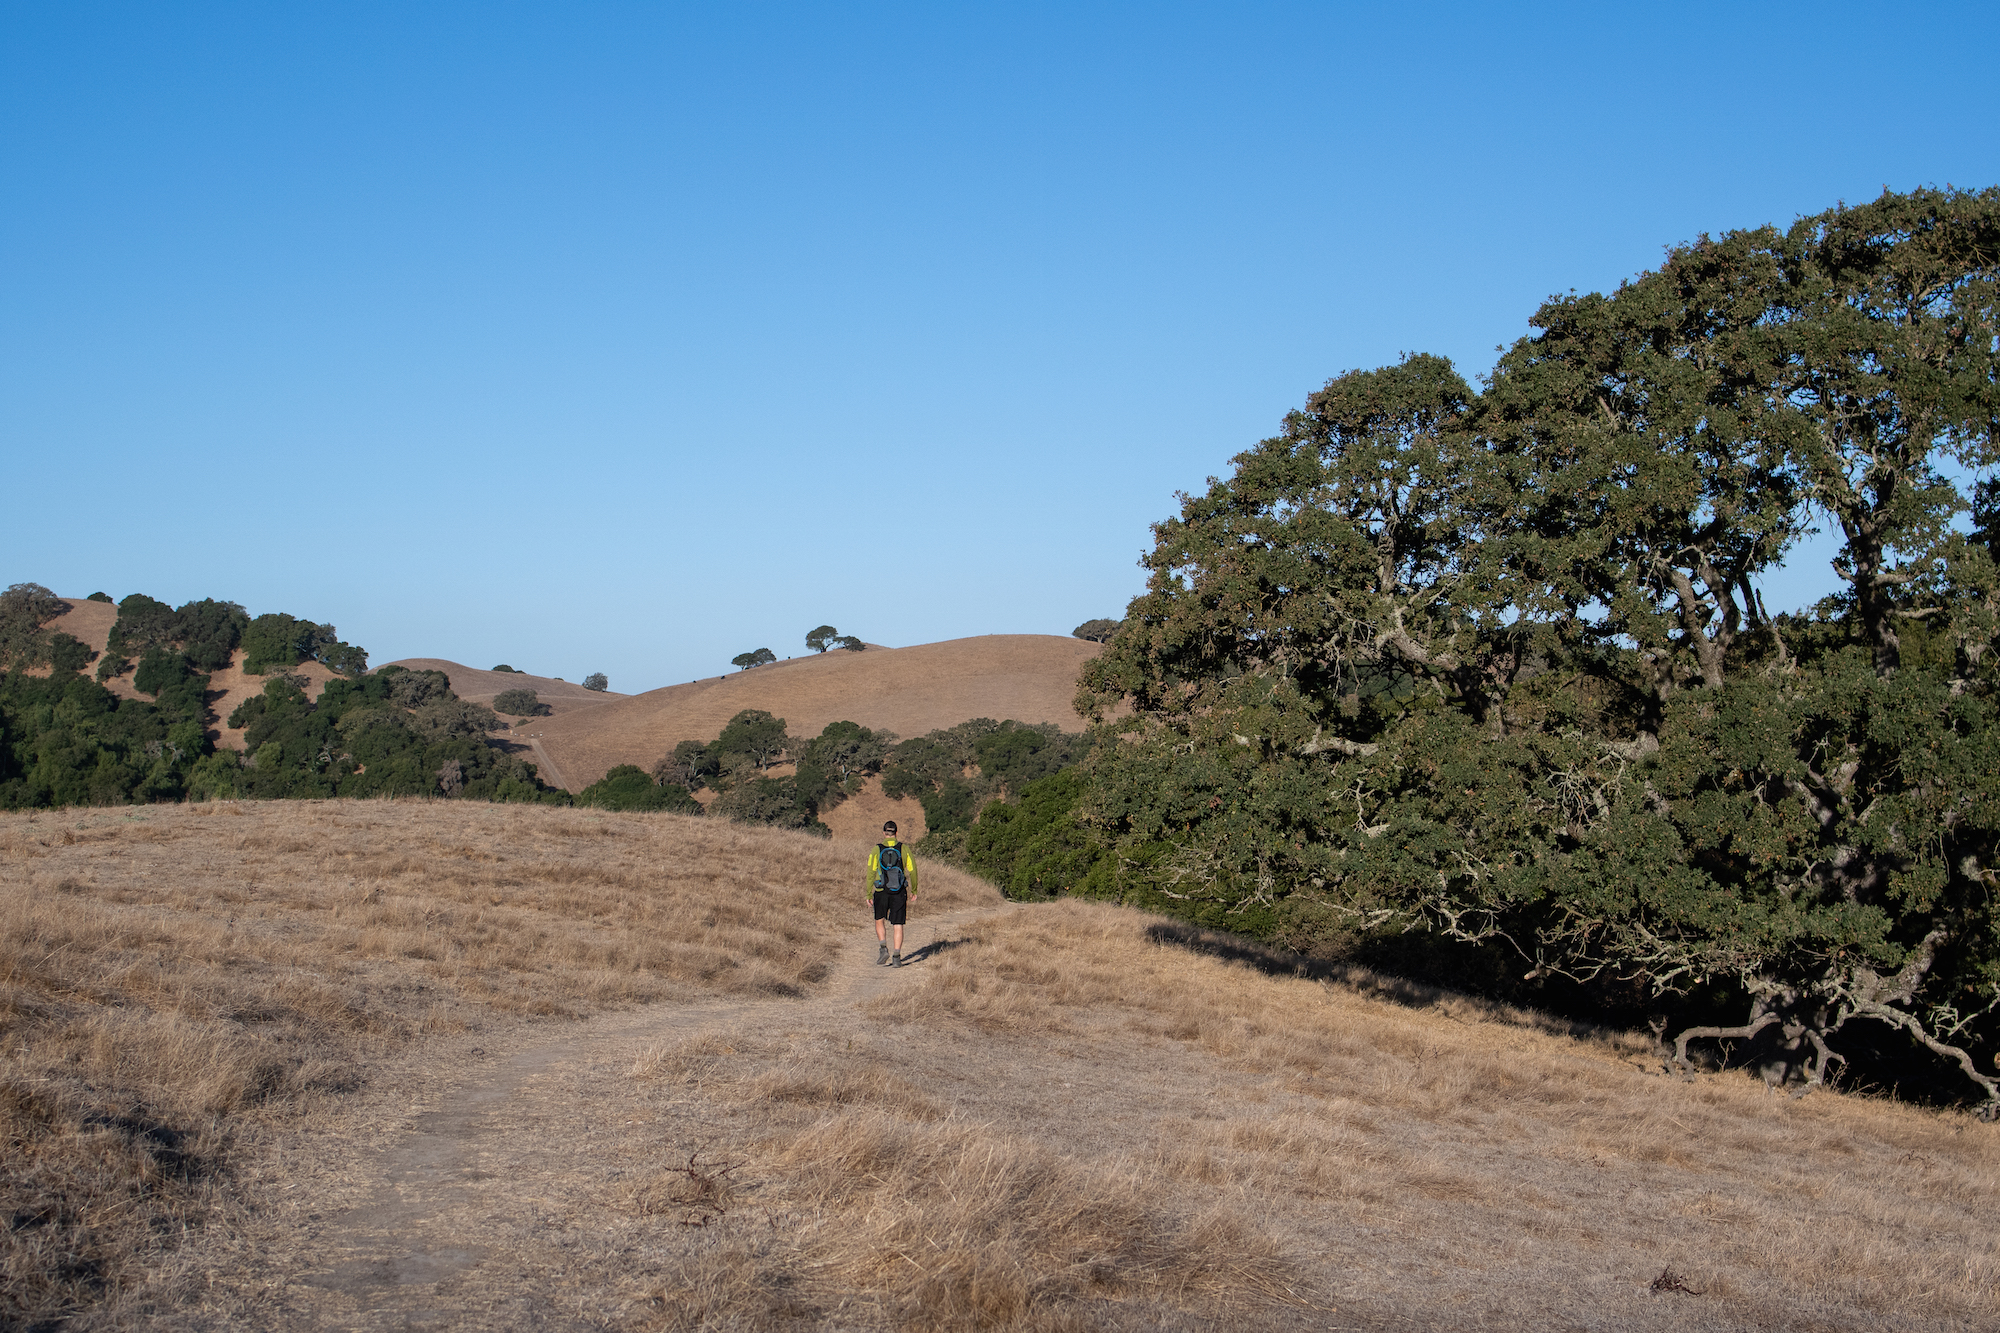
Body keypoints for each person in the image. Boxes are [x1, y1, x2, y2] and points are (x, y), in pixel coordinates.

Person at [868, 820, 917, 966]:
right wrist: (914, 889)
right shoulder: (904, 848)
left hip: (881, 890)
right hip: (898, 891)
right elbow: (913, 870)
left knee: (879, 919)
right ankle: (896, 957)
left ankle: (883, 949)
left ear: (884, 833)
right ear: (896, 833)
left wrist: (867, 893)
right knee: (898, 924)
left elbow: (870, 872)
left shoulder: (877, 849)